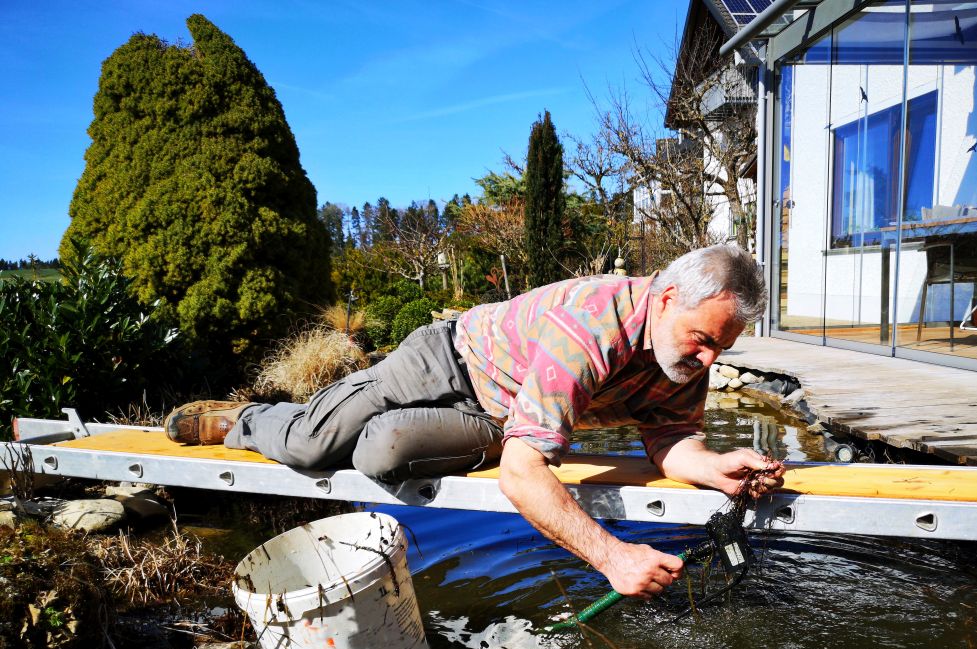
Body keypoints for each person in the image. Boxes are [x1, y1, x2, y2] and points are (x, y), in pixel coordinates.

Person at [165, 244, 784, 597]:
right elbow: (522, 476)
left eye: (722, 349)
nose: (709, 360)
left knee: (383, 453)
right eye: (704, 340)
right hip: (448, 360)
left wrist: (713, 467)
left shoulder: (683, 354)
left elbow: (669, 438)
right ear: (667, 298)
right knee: (311, 444)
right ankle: (247, 419)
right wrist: (613, 557)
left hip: (500, 413)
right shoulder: (595, 325)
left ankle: (358, 426)